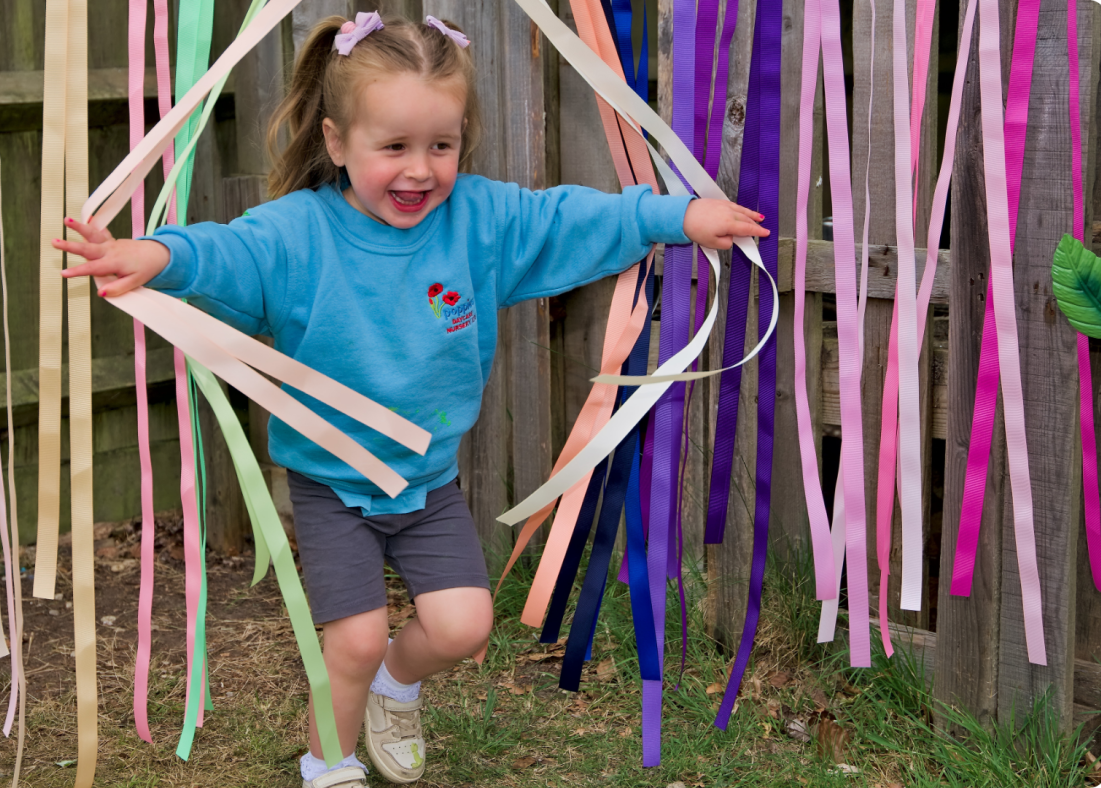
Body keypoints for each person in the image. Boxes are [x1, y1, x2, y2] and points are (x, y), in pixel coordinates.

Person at [58, 12, 767, 788]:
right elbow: (226, 252)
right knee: (354, 639)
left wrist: (677, 217)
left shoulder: (480, 221)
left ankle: (397, 690)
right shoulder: (299, 233)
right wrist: (154, 255)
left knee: (463, 626)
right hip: (333, 484)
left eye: (442, 145)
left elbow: (574, 217)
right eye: (393, 147)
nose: (420, 170)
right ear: (336, 142)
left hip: (427, 483)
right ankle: (327, 761)